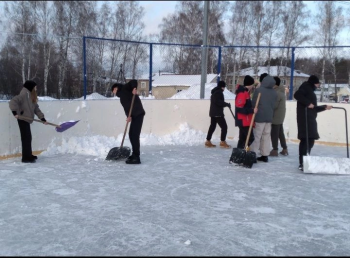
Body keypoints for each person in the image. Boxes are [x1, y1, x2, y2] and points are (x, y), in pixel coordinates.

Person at [294, 75, 332, 171]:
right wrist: (307, 103)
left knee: (307, 139)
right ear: (314, 83)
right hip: (305, 119)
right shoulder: (306, 88)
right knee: (307, 140)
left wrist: (324, 107)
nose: (318, 86)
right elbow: (297, 95)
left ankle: (303, 162)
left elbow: (313, 108)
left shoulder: (309, 89)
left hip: (309, 118)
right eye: (317, 84)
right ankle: (303, 162)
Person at [9, 80, 48, 163]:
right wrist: (15, 112)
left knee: (28, 138)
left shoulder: (31, 96)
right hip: (22, 118)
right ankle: (26, 158)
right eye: (35, 87)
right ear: (31, 87)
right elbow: (13, 102)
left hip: (27, 119)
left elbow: (36, 109)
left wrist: (42, 118)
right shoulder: (24, 94)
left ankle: (28, 155)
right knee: (26, 138)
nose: (36, 88)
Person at [111, 79, 146, 164]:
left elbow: (133, 81)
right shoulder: (122, 98)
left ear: (116, 88)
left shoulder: (125, 88)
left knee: (134, 135)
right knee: (131, 134)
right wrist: (128, 116)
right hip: (134, 116)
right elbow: (126, 108)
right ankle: (134, 154)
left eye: (114, 91)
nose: (114, 93)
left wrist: (134, 88)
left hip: (138, 114)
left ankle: (136, 157)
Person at [249, 74, 277, 162]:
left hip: (259, 117)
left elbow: (254, 103)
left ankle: (253, 154)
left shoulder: (259, 90)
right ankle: (265, 155)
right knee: (266, 136)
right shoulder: (274, 92)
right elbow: (274, 105)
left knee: (257, 136)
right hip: (269, 117)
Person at [205, 80, 232, 148]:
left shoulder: (214, 92)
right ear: (222, 87)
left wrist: (225, 104)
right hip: (218, 113)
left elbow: (218, 102)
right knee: (224, 127)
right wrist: (226, 104)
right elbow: (219, 102)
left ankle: (208, 141)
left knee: (212, 127)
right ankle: (222, 142)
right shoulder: (219, 92)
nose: (224, 89)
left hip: (213, 113)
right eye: (224, 87)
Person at [235, 75, 258, 149]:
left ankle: (238, 155)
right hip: (243, 121)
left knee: (242, 139)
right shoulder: (242, 93)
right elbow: (239, 108)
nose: (253, 86)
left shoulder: (246, 93)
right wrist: (252, 110)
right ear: (249, 84)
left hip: (246, 120)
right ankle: (241, 153)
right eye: (252, 85)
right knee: (250, 138)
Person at [269, 76, 288, 156]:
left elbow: (274, 105)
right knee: (280, 133)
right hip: (280, 116)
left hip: (276, 116)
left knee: (274, 134)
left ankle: (275, 149)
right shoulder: (281, 91)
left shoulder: (277, 93)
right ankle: (284, 148)